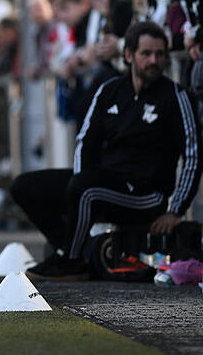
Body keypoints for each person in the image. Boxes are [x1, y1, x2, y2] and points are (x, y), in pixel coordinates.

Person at [11, 21, 200, 281]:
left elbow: (193, 154)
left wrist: (176, 209)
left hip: (147, 193)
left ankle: (72, 261)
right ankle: (74, 248)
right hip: (104, 180)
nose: (154, 61)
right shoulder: (110, 90)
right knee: (24, 186)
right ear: (129, 55)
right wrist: (78, 183)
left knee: (86, 190)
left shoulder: (176, 96)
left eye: (159, 54)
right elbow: (85, 141)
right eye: (146, 54)